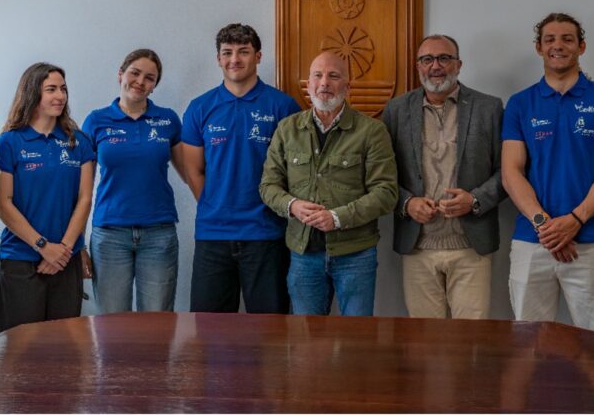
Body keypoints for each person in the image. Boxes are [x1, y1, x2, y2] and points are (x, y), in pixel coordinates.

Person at [501, 13, 594, 332]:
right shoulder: (520, 104)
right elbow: (511, 173)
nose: (558, 45)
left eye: (567, 39)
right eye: (550, 40)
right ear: (539, 48)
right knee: (530, 345)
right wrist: (546, 226)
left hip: (590, 242)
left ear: (581, 47)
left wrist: (575, 221)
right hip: (533, 242)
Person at [259, 51, 397, 316]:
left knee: (357, 341)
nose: (324, 83)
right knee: (306, 341)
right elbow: (268, 186)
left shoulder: (371, 131)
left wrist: (337, 217)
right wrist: (293, 205)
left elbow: (386, 192)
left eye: (334, 76)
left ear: (348, 86)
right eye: (318, 76)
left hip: (355, 254)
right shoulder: (287, 130)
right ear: (308, 85)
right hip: (303, 254)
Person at [382, 34, 504, 319]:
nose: (435, 66)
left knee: (471, 342)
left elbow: (508, 171)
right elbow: (381, 175)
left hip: (471, 245)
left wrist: (474, 200)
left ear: (459, 64)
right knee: (426, 343)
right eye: (427, 59)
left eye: (444, 58)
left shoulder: (489, 108)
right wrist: (407, 203)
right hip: (418, 246)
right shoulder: (396, 110)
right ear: (418, 66)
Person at [181, 23, 300, 313]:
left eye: (243, 52)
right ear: (219, 59)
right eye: (227, 52)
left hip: (267, 234)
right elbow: (193, 171)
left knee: (271, 329)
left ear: (258, 56)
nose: (235, 59)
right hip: (213, 235)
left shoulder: (283, 106)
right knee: (211, 331)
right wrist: (215, 204)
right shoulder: (200, 108)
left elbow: (296, 172)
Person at [0, 63, 94, 334]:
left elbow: (84, 199)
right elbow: (3, 203)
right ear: (32, 93)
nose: (60, 96)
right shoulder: (9, 142)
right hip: (21, 258)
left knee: (62, 349)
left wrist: (63, 250)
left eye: (63, 89)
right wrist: (43, 246)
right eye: (51, 89)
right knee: (18, 348)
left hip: (65, 260)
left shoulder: (78, 142)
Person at [82, 49, 184, 313]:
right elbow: (81, 190)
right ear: (120, 75)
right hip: (110, 235)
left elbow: (191, 172)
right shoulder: (96, 121)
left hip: (158, 234)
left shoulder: (168, 120)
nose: (140, 81)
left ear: (154, 86)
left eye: (149, 78)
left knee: (156, 322)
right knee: (112, 326)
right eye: (135, 73)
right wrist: (77, 242)